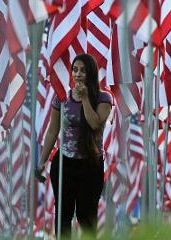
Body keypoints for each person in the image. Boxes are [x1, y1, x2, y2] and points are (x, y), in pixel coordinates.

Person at [35, 54, 113, 236]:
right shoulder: (62, 98)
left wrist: (85, 98)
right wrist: (42, 163)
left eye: (83, 70)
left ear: (91, 73)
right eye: (75, 70)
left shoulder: (104, 99)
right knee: (63, 216)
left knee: (86, 218)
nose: (78, 74)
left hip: (90, 165)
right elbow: (53, 131)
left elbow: (95, 124)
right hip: (64, 164)